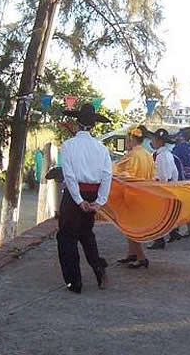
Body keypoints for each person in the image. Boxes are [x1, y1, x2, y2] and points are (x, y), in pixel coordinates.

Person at [58, 103, 112, 293]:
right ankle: (98, 267)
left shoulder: (68, 146)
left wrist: (79, 200)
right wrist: (99, 202)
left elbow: (70, 175)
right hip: (93, 194)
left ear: (76, 123)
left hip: (75, 196)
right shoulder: (101, 148)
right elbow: (107, 176)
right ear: (94, 126)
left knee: (67, 237)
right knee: (86, 234)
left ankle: (75, 282)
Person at [113, 126, 154, 269]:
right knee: (129, 226)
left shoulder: (133, 155)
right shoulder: (147, 154)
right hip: (144, 193)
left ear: (131, 139)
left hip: (133, 194)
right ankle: (131, 253)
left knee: (133, 227)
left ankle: (141, 257)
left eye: (127, 139)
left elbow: (124, 174)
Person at [146, 128, 179, 250]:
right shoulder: (167, 154)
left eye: (154, 139)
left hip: (161, 188)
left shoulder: (161, 156)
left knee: (156, 216)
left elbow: (164, 176)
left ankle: (159, 239)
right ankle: (170, 233)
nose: (152, 142)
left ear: (159, 141)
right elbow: (175, 173)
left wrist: (160, 189)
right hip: (167, 187)